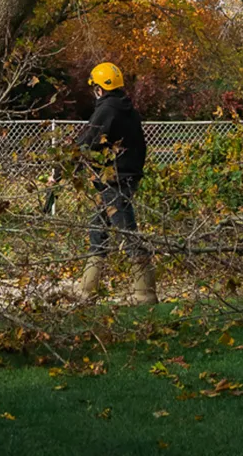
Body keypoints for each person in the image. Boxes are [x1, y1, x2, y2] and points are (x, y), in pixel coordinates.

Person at [73, 62, 157, 305]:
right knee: (98, 230)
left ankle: (145, 295)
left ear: (99, 88)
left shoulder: (107, 110)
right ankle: (87, 293)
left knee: (127, 234)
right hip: (123, 178)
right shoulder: (128, 110)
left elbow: (86, 143)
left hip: (114, 181)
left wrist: (61, 172)